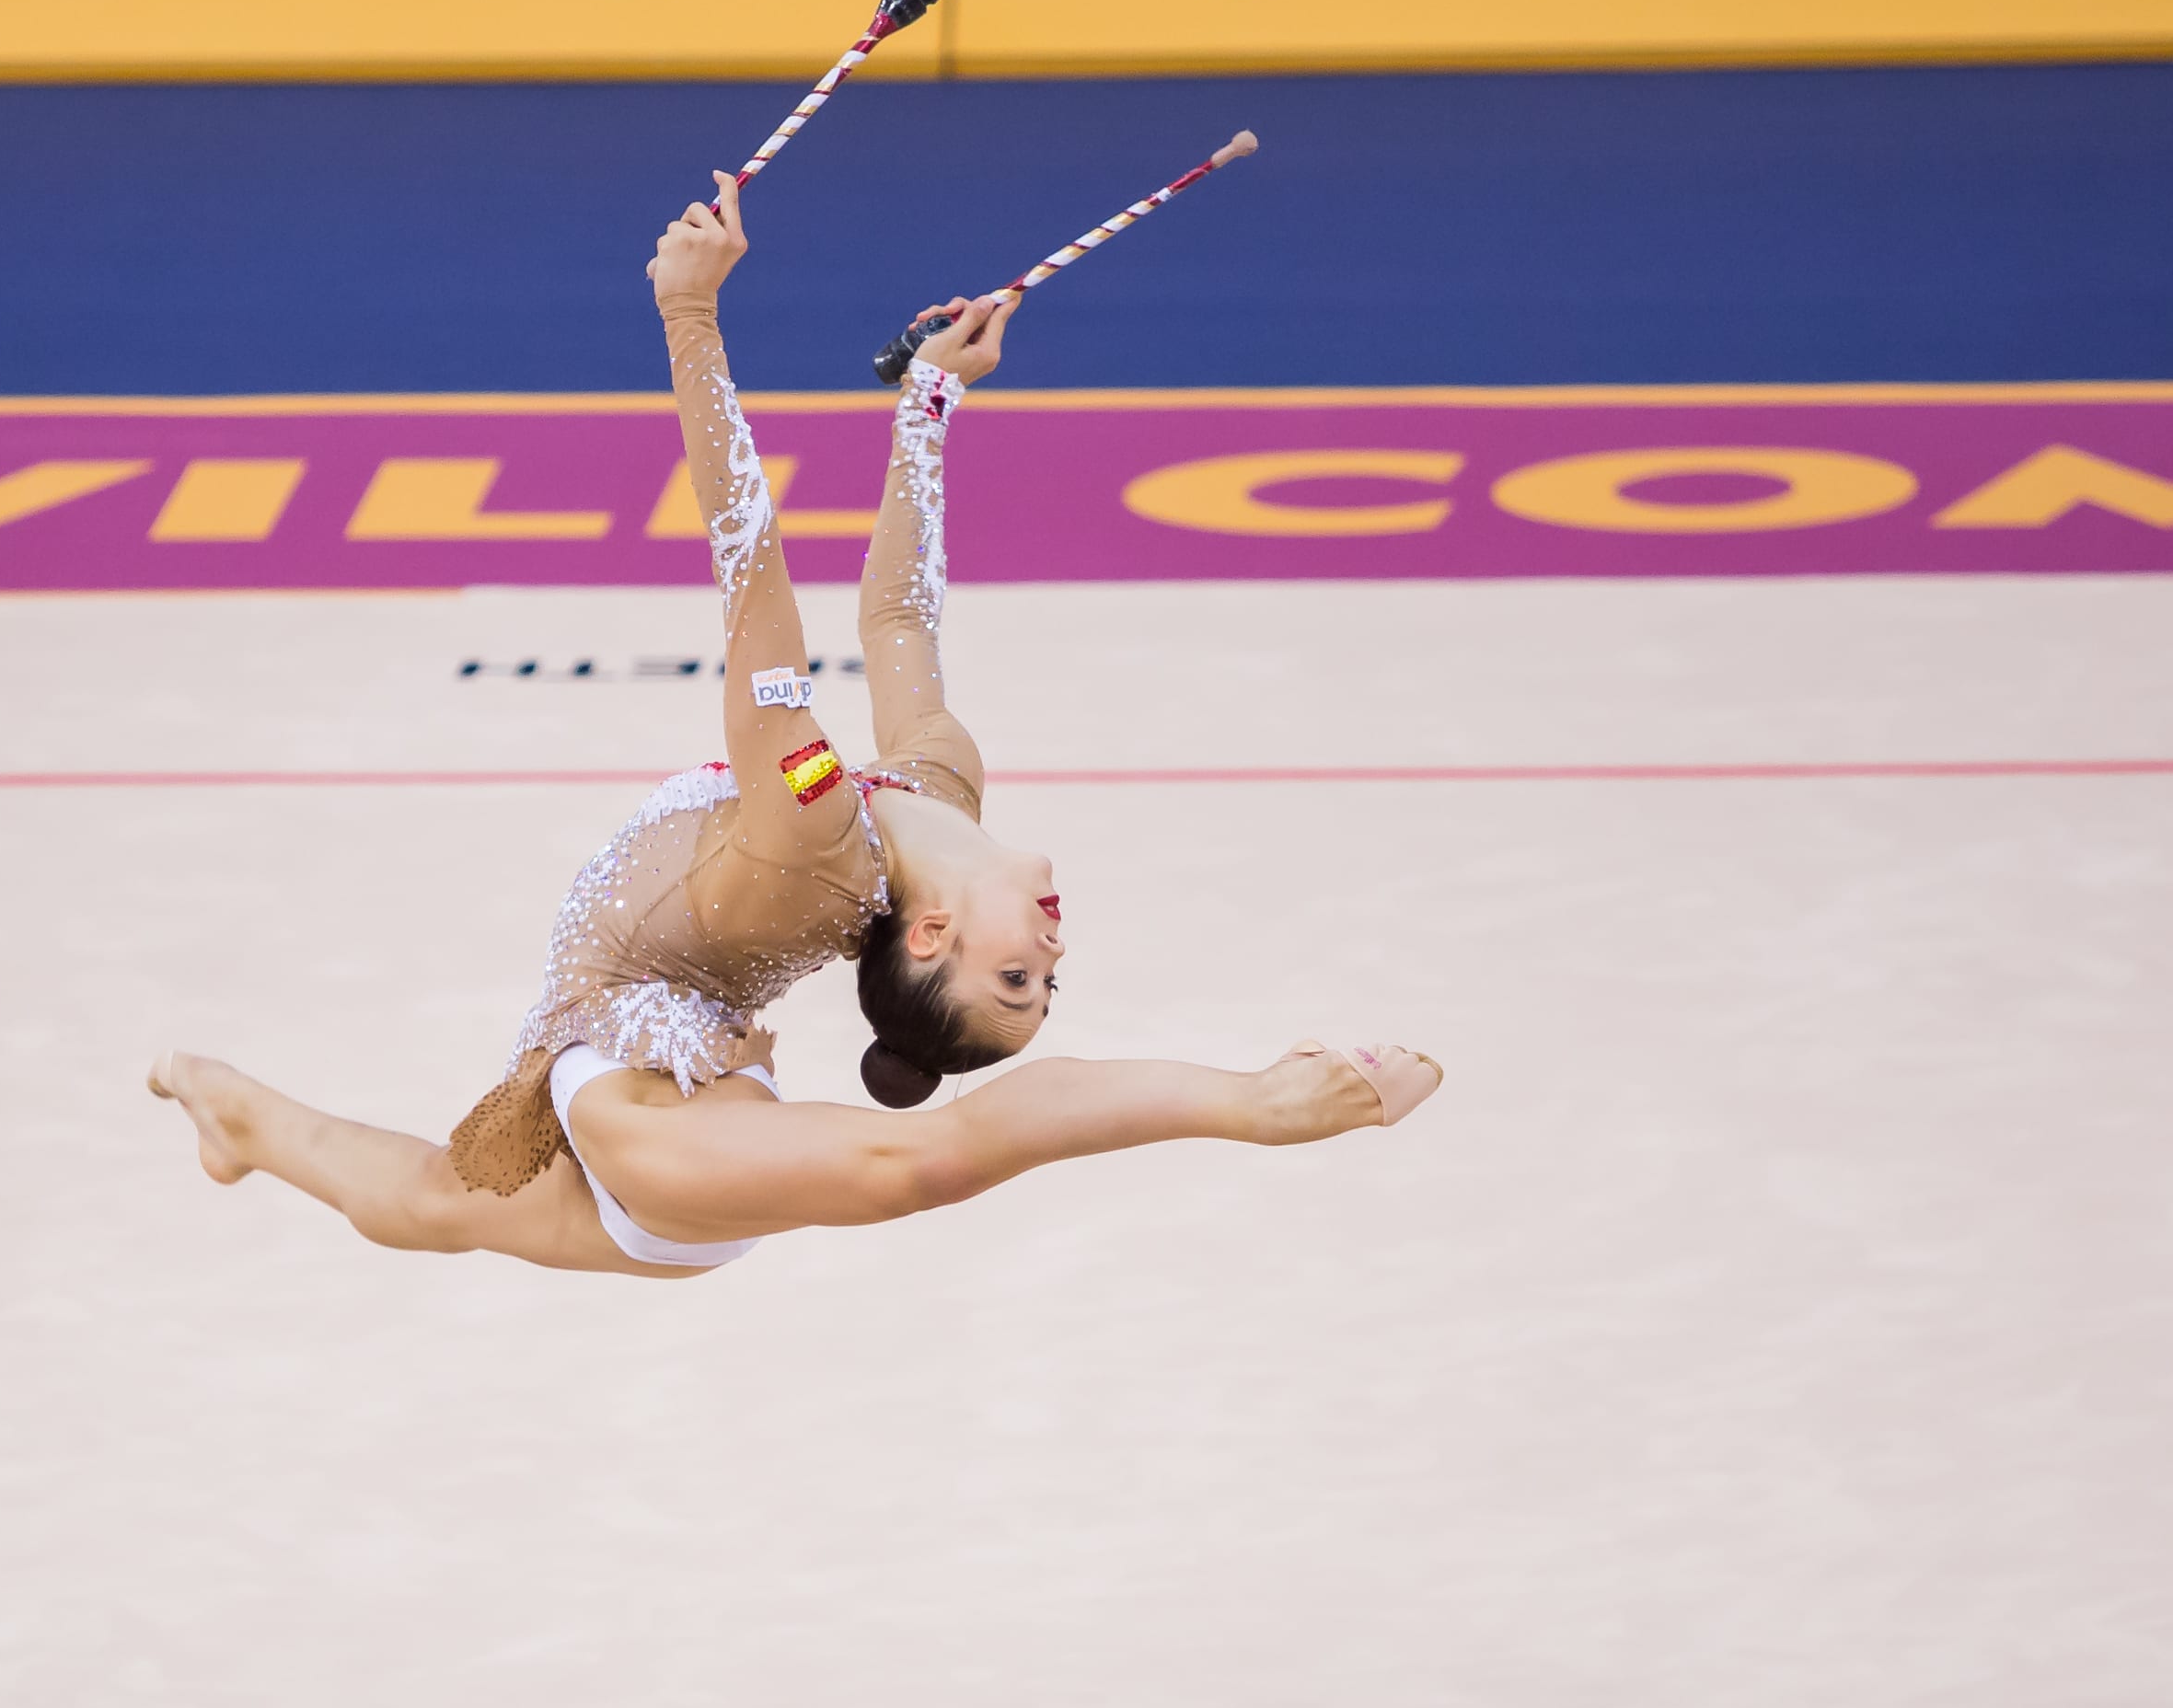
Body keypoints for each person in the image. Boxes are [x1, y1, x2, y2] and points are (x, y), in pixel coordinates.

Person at [150, 173, 1439, 1279]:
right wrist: (930, 403)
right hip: (697, 1101)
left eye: (1013, 981)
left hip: (656, 1109)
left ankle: (250, 1124)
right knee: (445, 1202)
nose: (1050, 952)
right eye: (1048, 985)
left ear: (927, 935)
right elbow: (897, 615)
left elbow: (751, 569)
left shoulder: (812, 818)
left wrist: (690, 311)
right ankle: (244, 1120)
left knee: (877, 1166)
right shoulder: (938, 782)